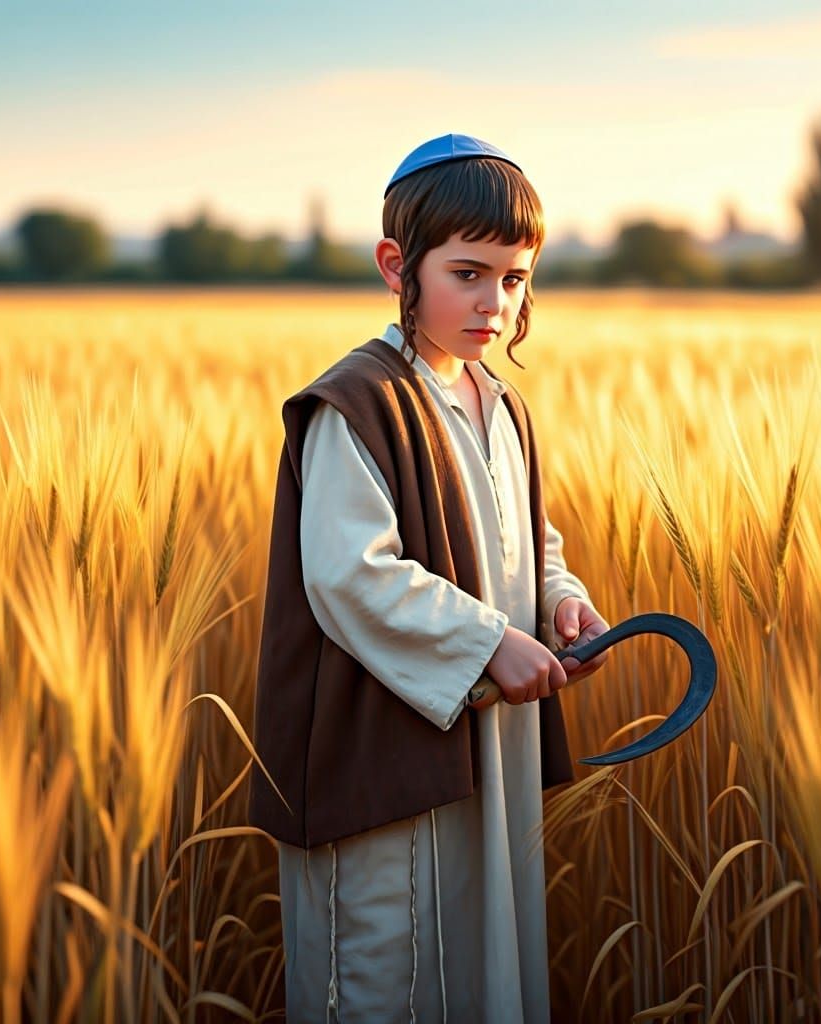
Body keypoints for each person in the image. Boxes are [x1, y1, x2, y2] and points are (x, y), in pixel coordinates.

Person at [248, 133, 609, 1023]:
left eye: (517, 278)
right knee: (388, 976)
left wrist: (561, 605)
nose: (495, 301)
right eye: (469, 273)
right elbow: (351, 575)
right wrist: (489, 641)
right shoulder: (358, 402)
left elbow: (526, 538)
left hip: (490, 747)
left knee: (482, 967)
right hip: (387, 761)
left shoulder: (501, 401)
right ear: (395, 264)